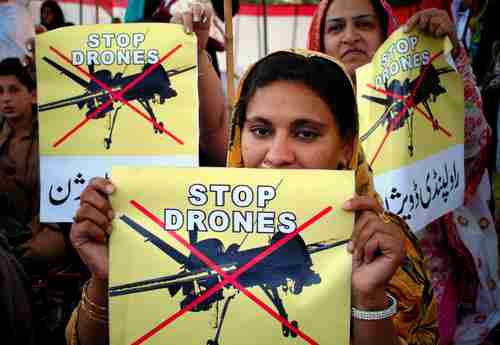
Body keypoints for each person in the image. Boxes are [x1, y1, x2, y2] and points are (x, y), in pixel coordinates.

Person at [68, 48, 438, 344]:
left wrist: (368, 298)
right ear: (238, 134)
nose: (277, 155)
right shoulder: (180, 217)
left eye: (306, 133)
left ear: (346, 145)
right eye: (260, 130)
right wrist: (105, 280)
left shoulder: (384, 245)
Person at [307, 0, 495, 344]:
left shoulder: (420, 103)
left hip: (430, 292)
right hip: (329, 296)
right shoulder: (297, 115)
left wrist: (447, 60)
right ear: (318, 41)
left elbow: (473, 148)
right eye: (336, 28)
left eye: (363, 25)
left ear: (388, 35)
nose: (349, 37)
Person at [0, 57, 86, 345]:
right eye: (0, 92)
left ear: (33, 94)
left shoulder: (54, 138)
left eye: (14, 90)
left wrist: (46, 232)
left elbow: (64, 195)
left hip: (50, 232)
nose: (6, 99)